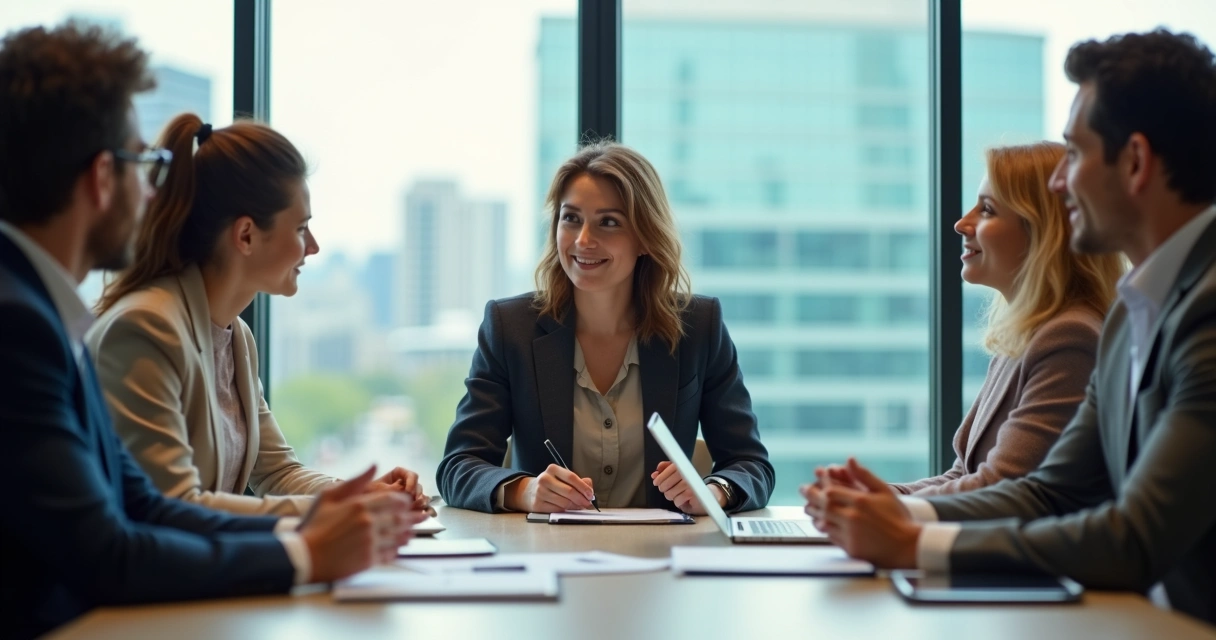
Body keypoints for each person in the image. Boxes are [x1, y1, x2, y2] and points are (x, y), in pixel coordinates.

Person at [0, 22, 423, 639]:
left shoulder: (50, 317)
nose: (152, 194)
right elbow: (111, 551)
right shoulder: (30, 327)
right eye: (142, 165)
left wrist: (335, 511)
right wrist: (304, 552)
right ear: (101, 178)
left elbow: (143, 504)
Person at [802, 29, 1216, 624]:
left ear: (1134, 162)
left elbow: (1134, 537)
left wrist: (915, 543)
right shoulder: (1132, 313)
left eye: (1074, 155)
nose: (1058, 182)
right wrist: (896, 516)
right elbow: (1051, 490)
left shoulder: (1205, 311)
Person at [86, 113, 429, 516]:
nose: (313, 246)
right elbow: (174, 506)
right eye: (301, 228)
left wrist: (361, 493)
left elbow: (278, 472)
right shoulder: (146, 327)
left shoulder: (236, 337)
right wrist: (339, 512)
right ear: (246, 235)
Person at [437, 141, 774, 514]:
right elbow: (458, 466)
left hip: (662, 547)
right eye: (571, 218)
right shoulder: (510, 328)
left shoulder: (698, 327)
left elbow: (750, 464)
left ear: (645, 237)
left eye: (608, 222)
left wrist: (713, 492)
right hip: (548, 546)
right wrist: (526, 492)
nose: (583, 240)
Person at [891, 142, 1124, 496]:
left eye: (986, 209)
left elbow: (1002, 486)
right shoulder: (1025, 336)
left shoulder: (1069, 338)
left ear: (1042, 231)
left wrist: (881, 508)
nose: (961, 224)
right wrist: (871, 495)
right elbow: (964, 474)